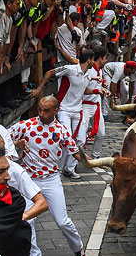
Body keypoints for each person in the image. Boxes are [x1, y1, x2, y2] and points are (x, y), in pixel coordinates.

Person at [9, 95, 88, 256]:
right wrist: (17, 143)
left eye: (46, 110)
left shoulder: (62, 131)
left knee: (62, 221)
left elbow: (75, 152)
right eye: (39, 109)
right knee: (27, 221)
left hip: (51, 179)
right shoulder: (25, 126)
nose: (42, 114)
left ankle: (78, 249)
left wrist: (96, 163)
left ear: (56, 110)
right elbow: (3, 140)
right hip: (29, 180)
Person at [30, 48, 106, 179]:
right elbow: (49, 73)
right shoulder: (70, 69)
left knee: (81, 140)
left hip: (77, 111)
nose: (93, 62)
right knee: (66, 138)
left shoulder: (88, 74)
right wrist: (39, 89)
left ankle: (69, 168)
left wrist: (96, 91)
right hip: (64, 109)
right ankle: (57, 168)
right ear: (88, 60)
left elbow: (83, 90)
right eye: (92, 60)